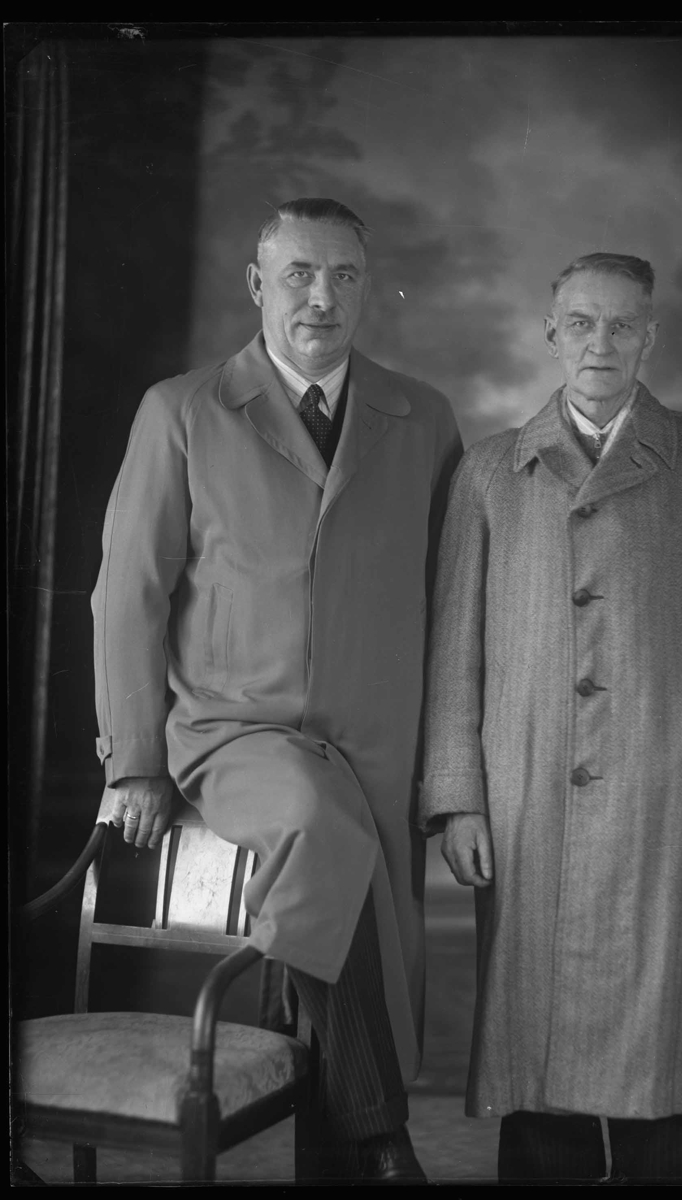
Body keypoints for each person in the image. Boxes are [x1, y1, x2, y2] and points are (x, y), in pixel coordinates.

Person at [92, 198, 462, 1183]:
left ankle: (339, 1153)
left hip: (377, 741)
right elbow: (127, 595)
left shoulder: (423, 417)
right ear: (258, 284)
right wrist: (133, 762)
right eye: (299, 273)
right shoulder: (182, 410)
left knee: (369, 928)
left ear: (367, 290)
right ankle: (382, 1134)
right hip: (235, 730)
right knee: (312, 821)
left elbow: (455, 600)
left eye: (344, 275)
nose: (321, 297)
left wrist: (450, 770)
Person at [419, 253, 682, 1183]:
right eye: (583, 323)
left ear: (650, 337)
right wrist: (460, 799)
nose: (602, 342)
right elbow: (454, 653)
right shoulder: (489, 472)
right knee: (537, 1071)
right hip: (528, 799)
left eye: (623, 324)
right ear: (552, 335)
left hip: (664, 800)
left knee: (659, 1072)